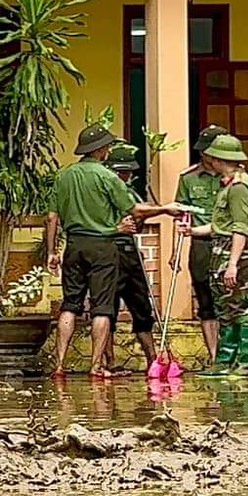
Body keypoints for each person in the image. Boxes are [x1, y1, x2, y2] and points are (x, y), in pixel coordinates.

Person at [45, 124, 177, 379]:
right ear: (101, 149)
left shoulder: (64, 175)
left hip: (73, 245)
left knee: (70, 305)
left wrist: (51, 251)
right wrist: (165, 209)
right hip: (103, 245)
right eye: (107, 146)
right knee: (102, 308)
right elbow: (135, 210)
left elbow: (51, 217)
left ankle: (59, 366)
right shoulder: (106, 177)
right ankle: (96, 367)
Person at [187, 134, 248, 376]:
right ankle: (225, 360)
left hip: (233, 252)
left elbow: (240, 228)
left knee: (242, 308)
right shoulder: (228, 185)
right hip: (220, 250)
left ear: (220, 159)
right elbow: (220, 224)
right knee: (225, 309)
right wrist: (192, 231)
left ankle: (244, 361)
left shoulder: (239, 188)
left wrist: (232, 265)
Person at [105, 143, 163, 375]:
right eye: (122, 172)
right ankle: (108, 362)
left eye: (129, 172)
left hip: (130, 253)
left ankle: (153, 360)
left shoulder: (131, 192)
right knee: (108, 309)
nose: (126, 176)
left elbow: (138, 222)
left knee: (141, 306)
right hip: (109, 251)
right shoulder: (104, 188)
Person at [176, 125, 230, 365]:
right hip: (201, 244)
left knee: (231, 300)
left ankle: (234, 355)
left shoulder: (233, 178)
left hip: (228, 241)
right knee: (206, 301)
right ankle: (215, 356)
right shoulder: (188, 179)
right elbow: (181, 215)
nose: (207, 156)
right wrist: (173, 250)